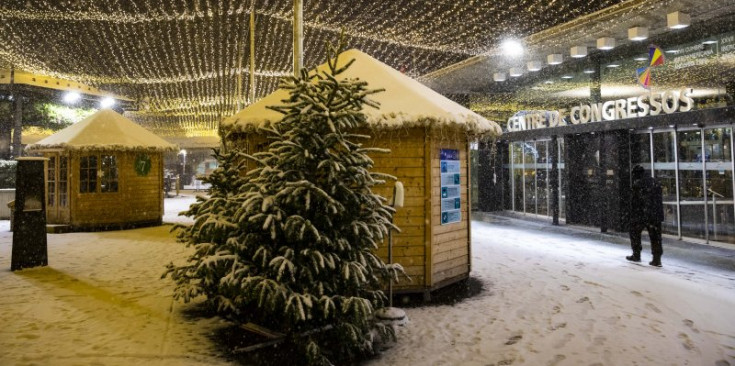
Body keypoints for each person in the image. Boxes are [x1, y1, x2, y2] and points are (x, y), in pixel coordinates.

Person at [627, 165, 664, 267]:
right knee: (656, 237)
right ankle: (657, 259)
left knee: (634, 232)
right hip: (656, 214)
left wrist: (634, 214)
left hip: (642, 215)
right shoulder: (655, 182)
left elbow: (635, 201)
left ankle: (636, 254)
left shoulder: (638, 184)